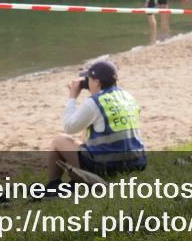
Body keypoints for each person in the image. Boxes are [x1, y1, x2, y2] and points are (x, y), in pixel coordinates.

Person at [46, 58, 146, 186]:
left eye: (89, 80)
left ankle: (54, 185)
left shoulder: (95, 101)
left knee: (58, 140)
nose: (87, 83)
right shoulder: (128, 97)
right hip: (137, 163)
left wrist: (72, 98)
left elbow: (69, 127)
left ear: (97, 82)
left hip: (108, 167)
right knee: (88, 134)